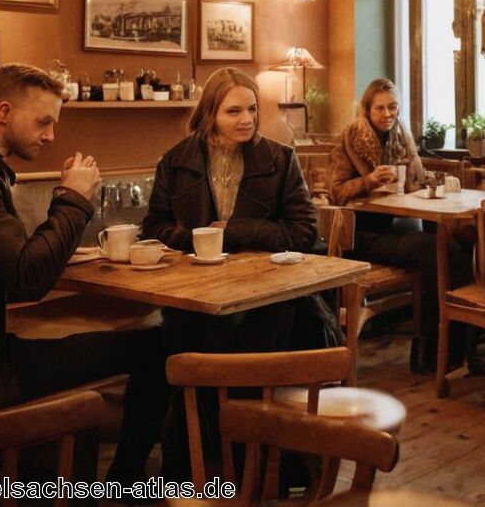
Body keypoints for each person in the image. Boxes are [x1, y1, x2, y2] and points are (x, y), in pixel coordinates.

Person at [0, 62, 168, 487]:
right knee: (154, 347)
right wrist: (73, 198)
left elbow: (12, 262)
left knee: (145, 343)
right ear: (2, 112)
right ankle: (131, 482)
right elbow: (28, 277)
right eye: (43, 121)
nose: (52, 135)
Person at [142, 67, 338, 478]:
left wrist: (232, 231)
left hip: (272, 295)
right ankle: (194, 462)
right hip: (196, 289)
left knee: (252, 332)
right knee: (175, 340)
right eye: (234, 111)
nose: (246, 119)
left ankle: (252, 463)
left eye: (251, 109)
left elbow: (304, 232)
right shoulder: (176, 161)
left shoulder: (280, 159)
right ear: (210, 113)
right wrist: (195, 238)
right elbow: (154, 229)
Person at [327, 77, 470, 374]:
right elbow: (336, 191)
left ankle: (455, 345)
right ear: (366, 110)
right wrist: (368, 180)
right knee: (433, 250)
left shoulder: (401, 137)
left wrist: (430, 182)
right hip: (363, 237)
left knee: (456, 246)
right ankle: (429, 351)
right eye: (380, 108)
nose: (387, 114)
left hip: (399, 228)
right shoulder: (350, 138)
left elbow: (415, 181)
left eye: (393, 107)